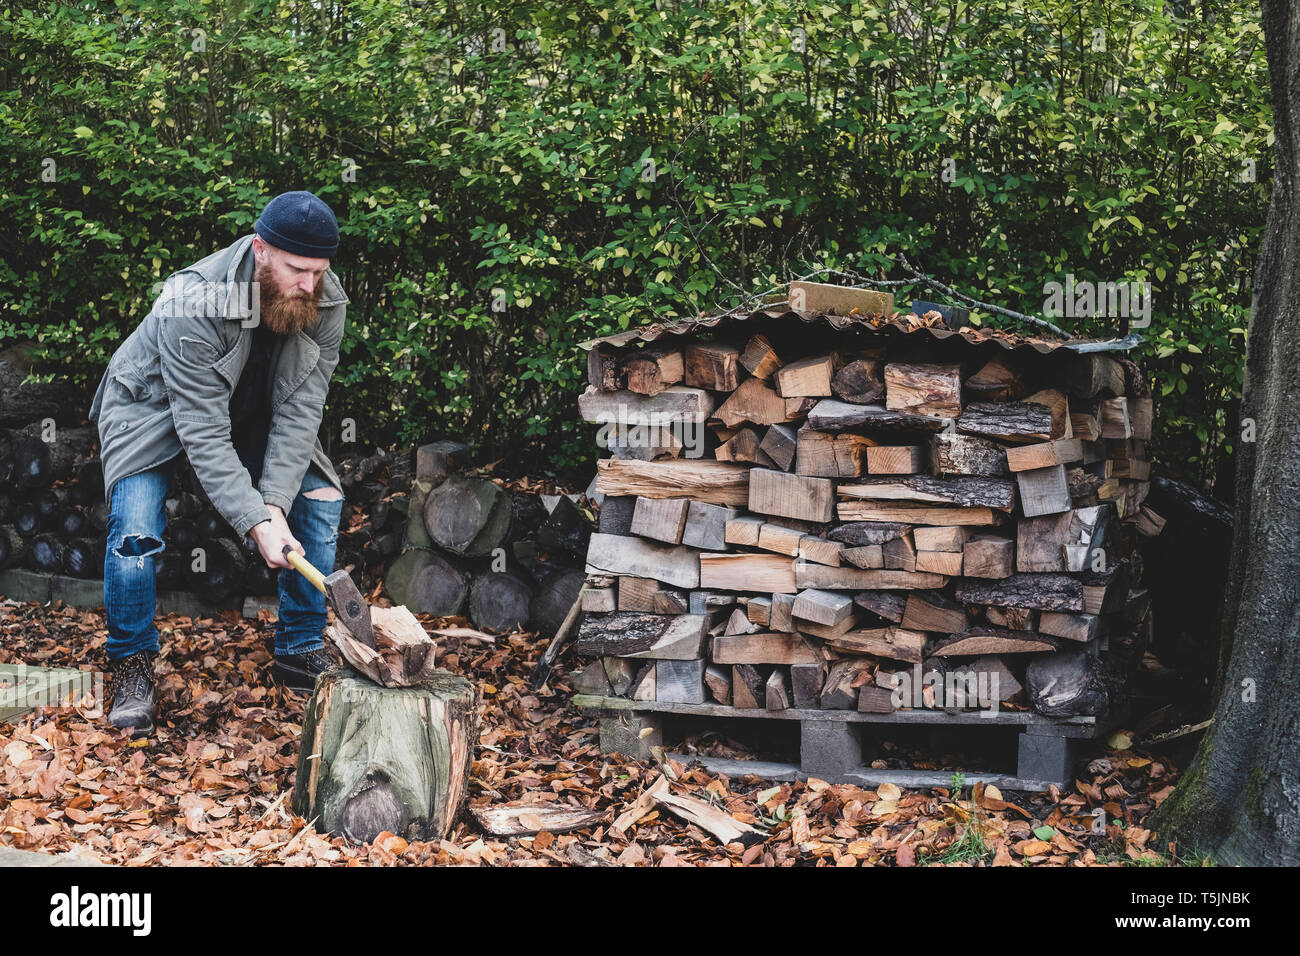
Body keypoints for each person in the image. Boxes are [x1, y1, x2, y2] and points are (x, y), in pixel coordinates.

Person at [87, 190, 349, 736]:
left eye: (319, 271)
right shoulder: (192, 300)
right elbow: (202, 431)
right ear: (260, 250)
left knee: (319, 498)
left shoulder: (326, 300)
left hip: (251, 410)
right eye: (297, 269)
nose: (309, 283)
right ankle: (131, 663)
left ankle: (300, 648)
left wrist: (275, 504)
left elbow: (302, 411)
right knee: (135, 532)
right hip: (152, 406)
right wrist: (256, 523)